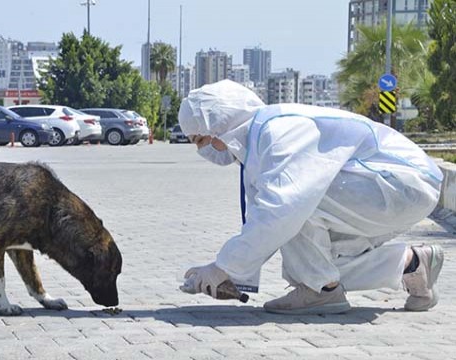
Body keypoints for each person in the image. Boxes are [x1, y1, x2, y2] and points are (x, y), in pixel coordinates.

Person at [179, 79, 444, 315]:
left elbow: (281, 210)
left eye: (201, 140)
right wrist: (231, 274)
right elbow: (265, 222)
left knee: (296, 210)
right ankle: (412, 264)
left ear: (221, 124)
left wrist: (223, 266)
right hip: (392, 190)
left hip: (404, 184)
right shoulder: (259, 141)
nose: (204, 150)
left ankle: (322, 292)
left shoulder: (279, 130)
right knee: (315, 262)